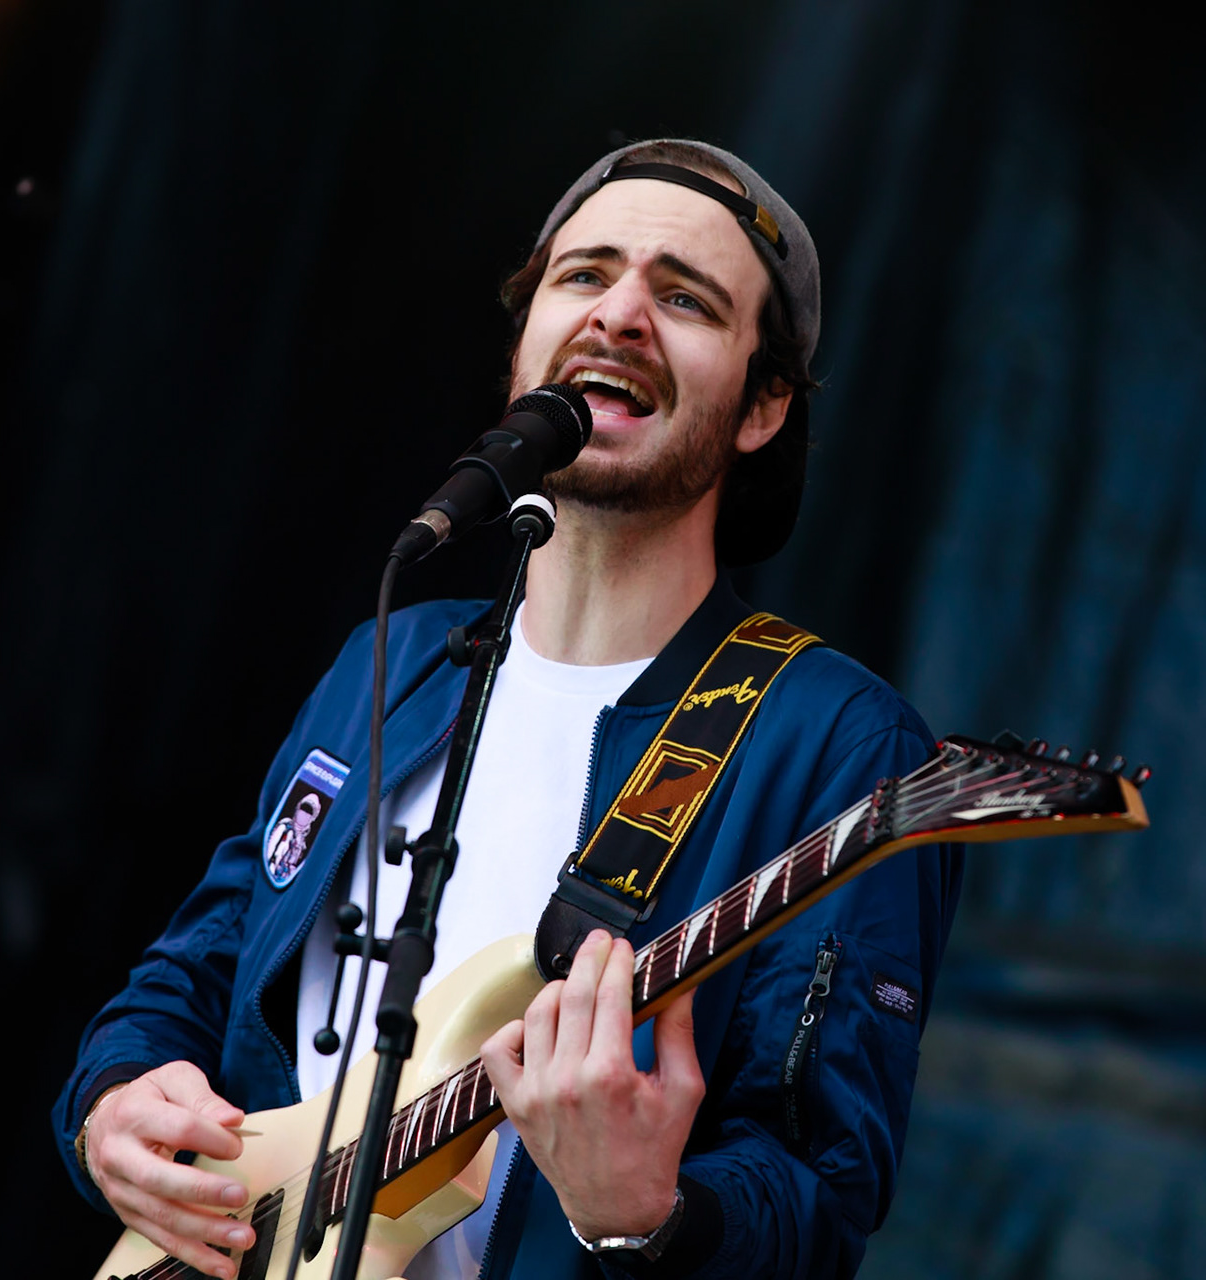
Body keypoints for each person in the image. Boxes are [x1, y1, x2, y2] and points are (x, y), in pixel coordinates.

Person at [54, 139, 962, 1280]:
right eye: (583, 276)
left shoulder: (836, 742)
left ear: (763, 405)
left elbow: (820, 1195)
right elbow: (201, 965)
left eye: (683, 298)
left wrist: (644, 1212)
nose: (620, 313)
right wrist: (113, 1100)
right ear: (527, 339)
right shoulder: (394, 658)